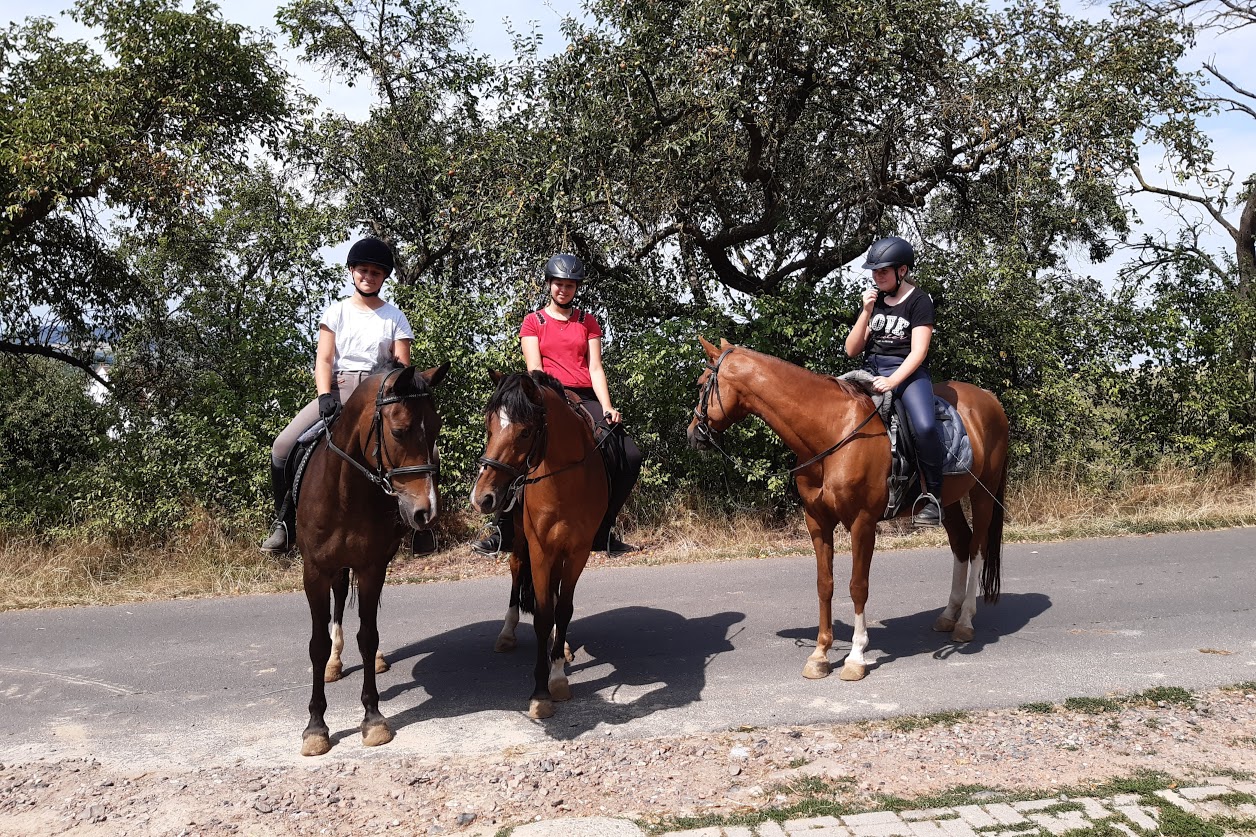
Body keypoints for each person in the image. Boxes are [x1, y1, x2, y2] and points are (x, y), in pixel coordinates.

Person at [473, 253, 643, 555]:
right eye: (558, 284)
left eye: (569, 285)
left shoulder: (587, 321)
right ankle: (503, 530)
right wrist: (547, 400)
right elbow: (534, 370)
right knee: (517, 449)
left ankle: (603, 530)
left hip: (584, 396)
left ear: (576, 288)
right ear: (549, 285)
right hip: (546, 396)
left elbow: (595, 368)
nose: (563, 290)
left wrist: (607, 406)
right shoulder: (533, 322)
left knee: (629, 454)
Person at [260, 237, 414, 554]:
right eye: (363, 270)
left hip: (379, 393)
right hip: (340, 388)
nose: (368, 276)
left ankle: (417, 525)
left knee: (422, 450)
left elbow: (402, 367)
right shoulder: (336, 312)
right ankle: (285, 523)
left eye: (375, 272)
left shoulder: (395, 317)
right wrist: (324, 394)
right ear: (352, 271)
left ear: (384, 277)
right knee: (282, 446)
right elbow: (324, 360)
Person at [843, 236, 945, 526]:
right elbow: (851, 350)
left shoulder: (919, 301)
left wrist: (893, 381)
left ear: (902, 271)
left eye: (883, 271)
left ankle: (933, 498)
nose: (878, 276)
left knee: (924, 427)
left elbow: (919, 352)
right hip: (869, 372)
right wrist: (865, 312)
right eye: (875, 272)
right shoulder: (874, 303)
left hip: (907, 373)